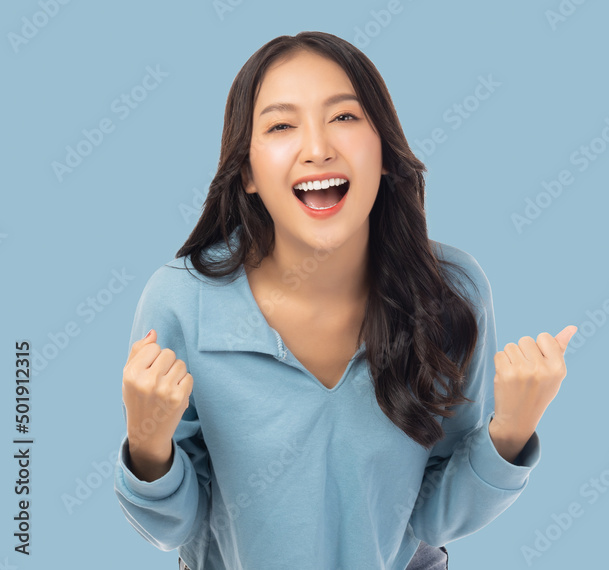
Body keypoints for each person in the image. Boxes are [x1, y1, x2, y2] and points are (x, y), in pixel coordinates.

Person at [113, 31, 577, 569]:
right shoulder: (180, 301)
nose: (317, 149)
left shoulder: (452, 293)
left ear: (383, 151)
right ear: (246, 173)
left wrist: (511, 432)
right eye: (282, 125)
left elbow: (434, 519)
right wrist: (147, 441)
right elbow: (176, 528)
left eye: (345, 117)